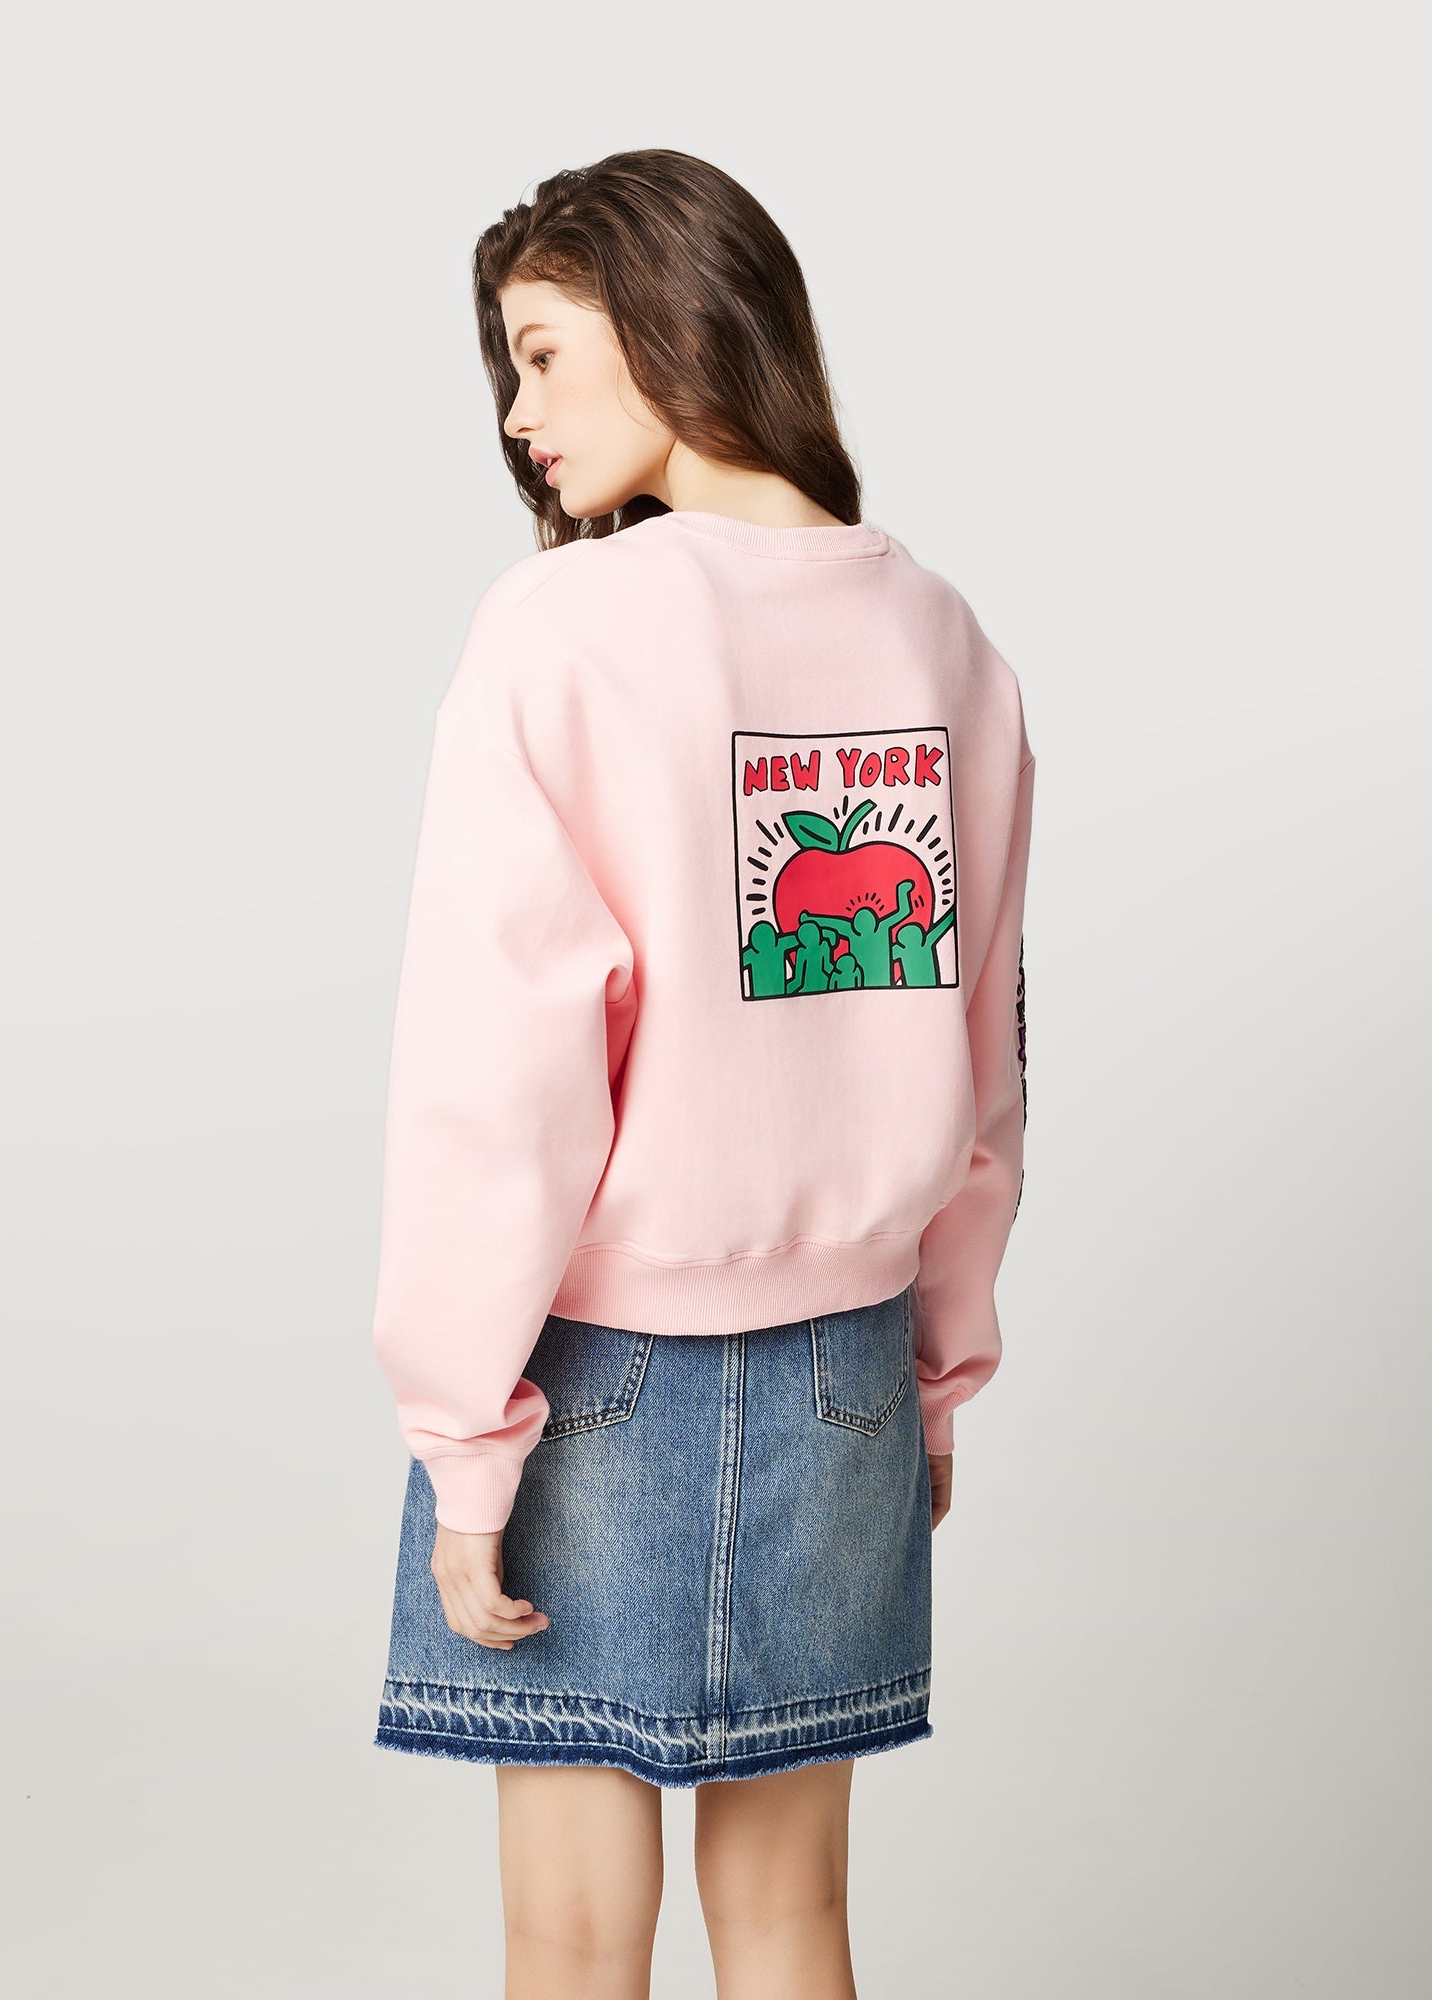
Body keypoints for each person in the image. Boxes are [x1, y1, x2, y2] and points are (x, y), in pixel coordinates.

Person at [368, 147, 1036, 2000]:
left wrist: (463, 1433)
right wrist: (934, 1383)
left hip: (591, 1382)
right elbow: (983, 1062)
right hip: (851, 1370)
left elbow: (500, 1077)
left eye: (543, 354)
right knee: (796, 1922)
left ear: (669, 320)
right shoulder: (943, 638)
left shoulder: (563, 629)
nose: (519, 418)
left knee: (572, 1938)